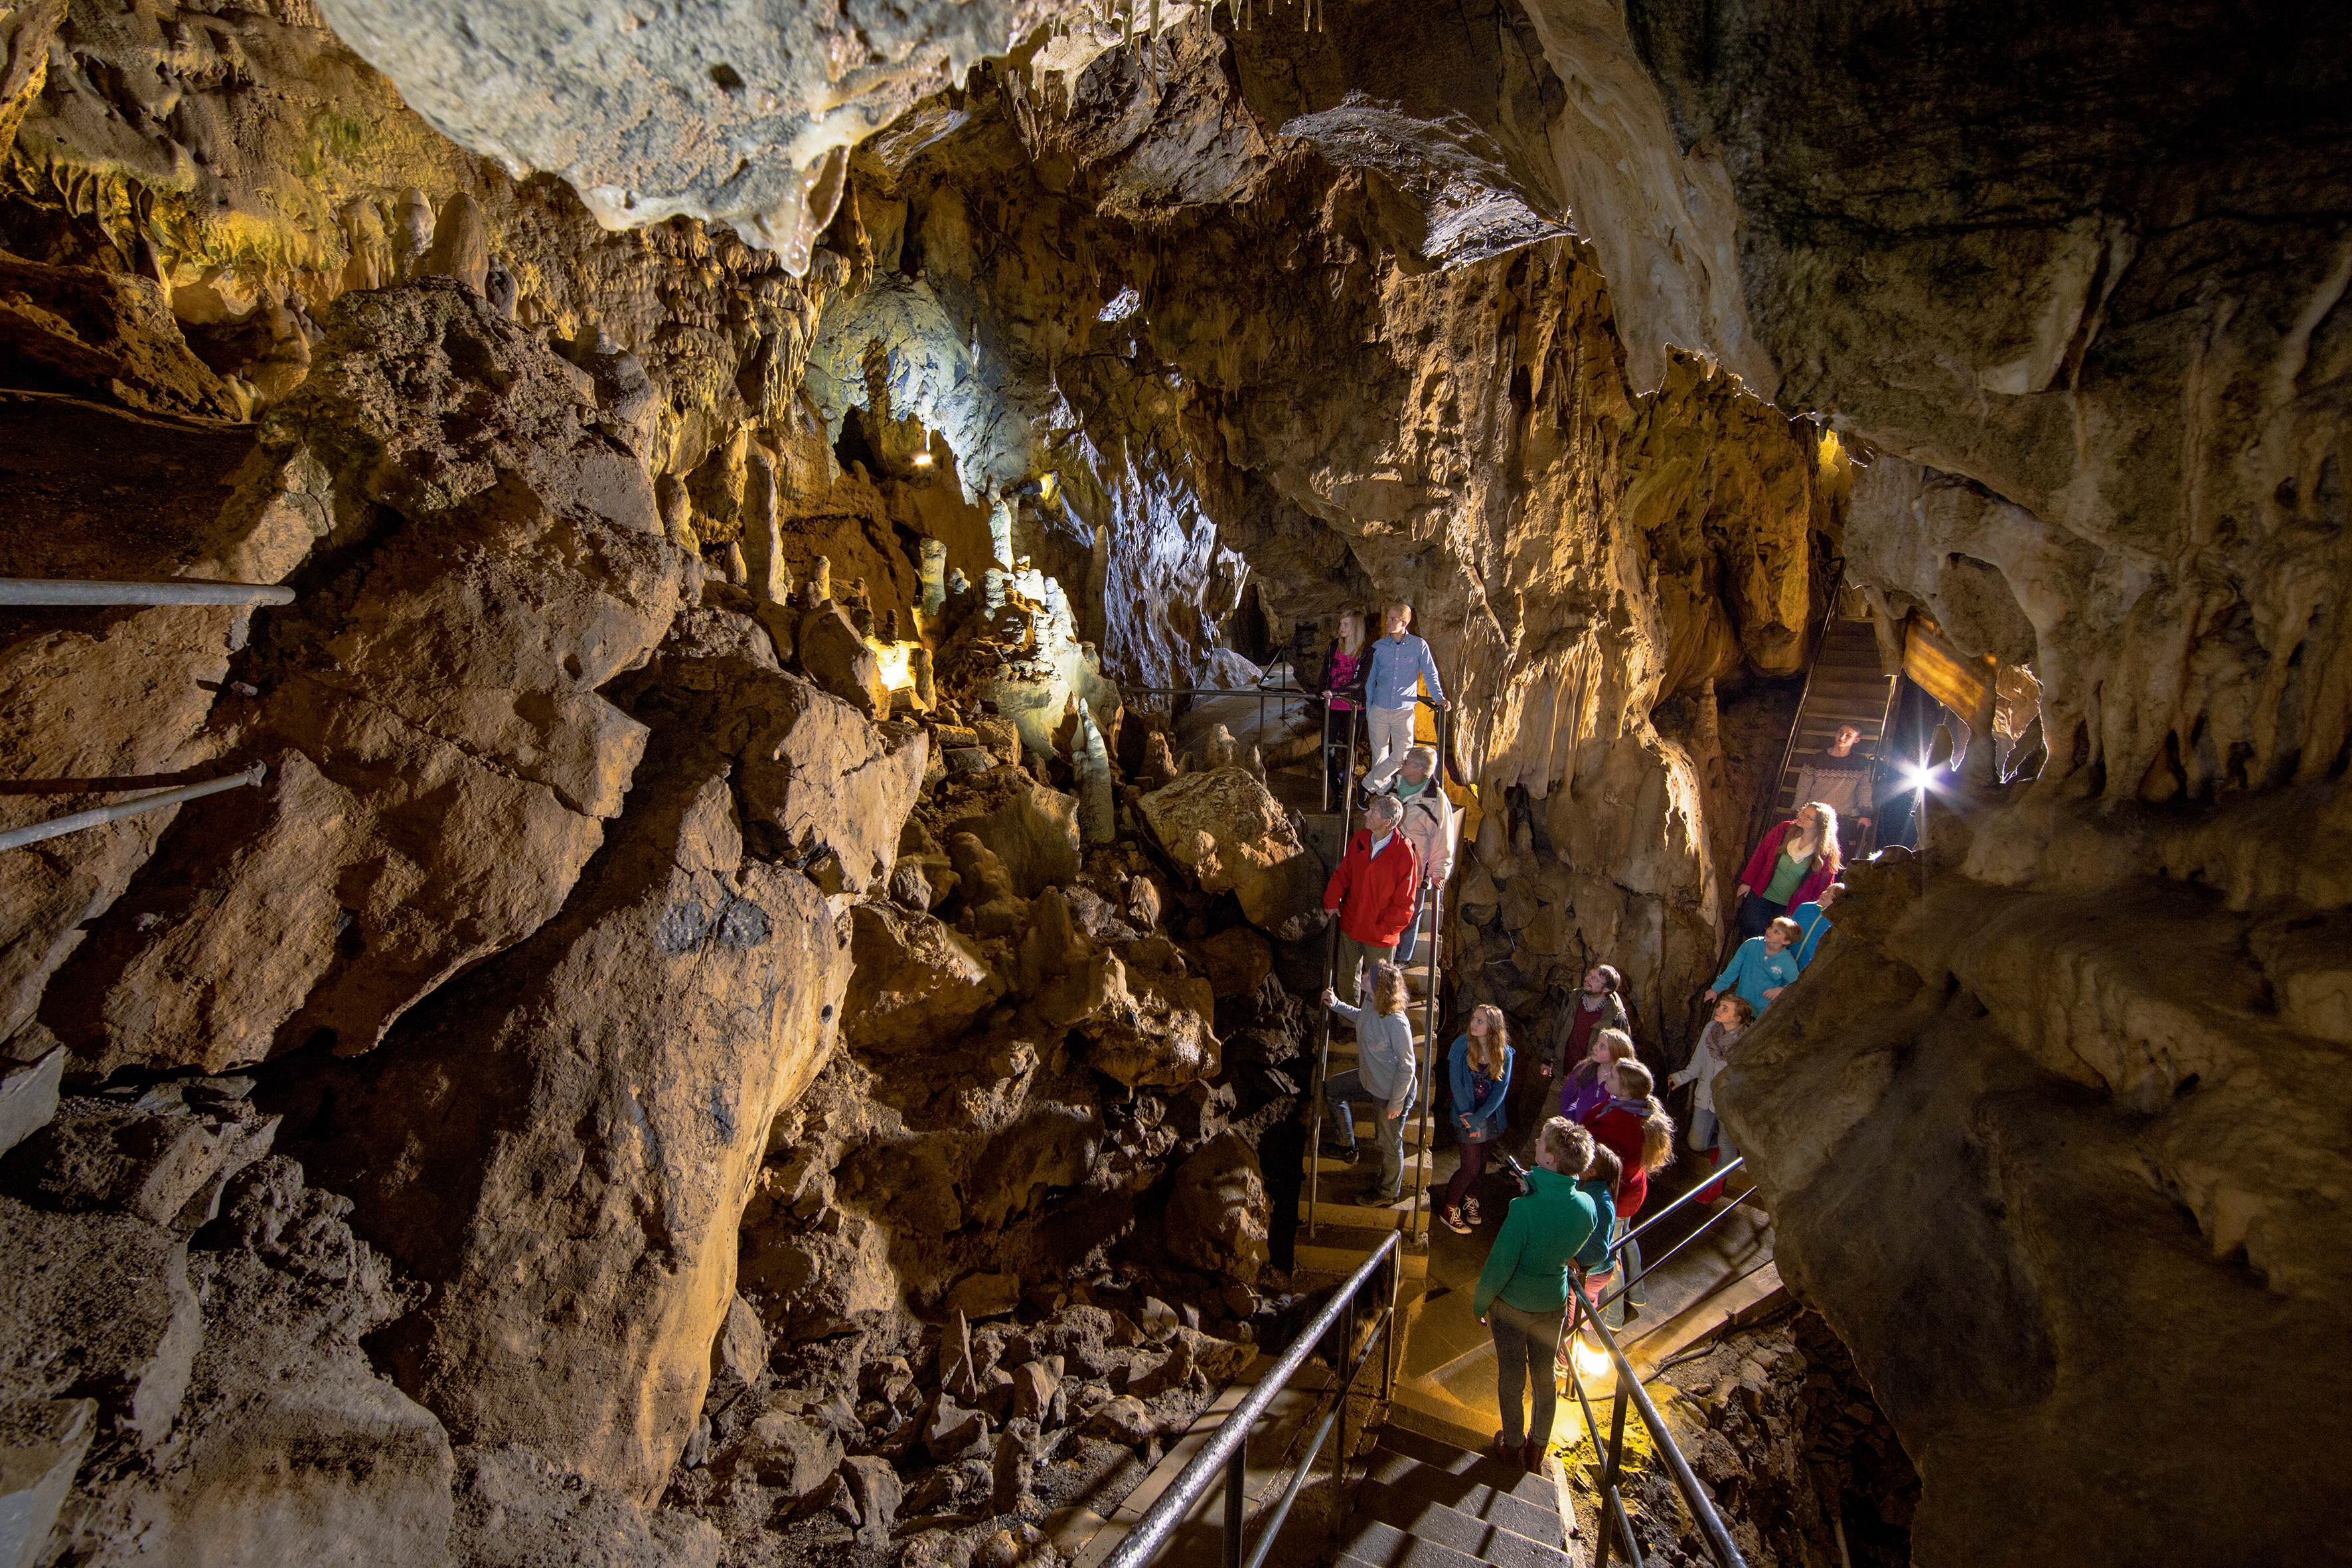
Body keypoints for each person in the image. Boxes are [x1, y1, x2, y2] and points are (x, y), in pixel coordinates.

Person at [1473, 1119, 1601, 1473]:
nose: (1537, 1143)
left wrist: (1481, 1302)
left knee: (1511, 1378)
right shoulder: (1588, 1207)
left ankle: (1512, 1445)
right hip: (1553, 1303)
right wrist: (1537, 1185)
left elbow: (1500, 1264)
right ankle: (1537, 1450)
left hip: (1513, 1306)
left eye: (1542, 1141)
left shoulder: (1523, 1210)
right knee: (1545, 1377)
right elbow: (1560, 1210)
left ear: (1551, 1160)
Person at [1579, 1059, 1673, 1325]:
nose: (1607, 1075)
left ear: (1626, 1090)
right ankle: (1637, 1294)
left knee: (1608, 1257)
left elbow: (1604, 1164)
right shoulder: (1629, 1110)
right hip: (1628, 1193)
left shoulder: (1624, 1127)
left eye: (1614, 1076)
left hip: (1616, 1198)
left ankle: (1611, 1318)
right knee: (1623, 1239)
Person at [1320, 964, 1417, 1202]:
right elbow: (1361, 1017)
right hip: (1369, 1079)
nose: (1363, 976)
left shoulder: (1397, 1022)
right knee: (1332, 1089)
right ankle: (1347, 1146)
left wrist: (1396, 1102)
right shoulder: (1371, 1002)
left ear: (1380, 987)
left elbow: (1408, 1066)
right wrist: (1336, 1006)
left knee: (1388, 1144)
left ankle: (1388, 1192)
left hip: (1391, 1092)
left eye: (1368, 976)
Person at [1322, 793, 1418, 999]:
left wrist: (1383, 927)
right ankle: (1350, 1023)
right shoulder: (1361, 839)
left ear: (1387, 821)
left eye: (1372, 811)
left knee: (1378, 985)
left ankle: (1374, 1025)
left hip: (1379, 935)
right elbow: (1344, 873)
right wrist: (1332, 901)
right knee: (1347, 976)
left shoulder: (1404, 853)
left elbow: (1405, 902)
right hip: (1352, 922)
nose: (1366, 814)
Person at [1670, 994, 1753, 1204]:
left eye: (1725, 1009)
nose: (1719, 1010)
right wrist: (1681, 1078)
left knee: (1726, 1142)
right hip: (1706, 1096)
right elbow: (1697, 1063)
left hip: (1729, 1104)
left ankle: (1717, 1180)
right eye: (1720, 1006)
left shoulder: (1747, 1041)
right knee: (1696, 1143)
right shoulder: (1711, 1030)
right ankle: (1727, 1151)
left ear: (1737, 1019)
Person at [1360, 602, 1449, 796]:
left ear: (1405, 622)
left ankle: (1366, 785)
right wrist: (1369, 708)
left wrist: (1439, 698)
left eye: (1393, 619)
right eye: (1388, 618)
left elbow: (1430, 674)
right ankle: (1381, 799)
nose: (1388, 622)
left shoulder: (1419, 645)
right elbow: (1370, 679)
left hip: (1404, 711)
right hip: (1379, 710)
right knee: (1379, 758)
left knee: (1402, 755)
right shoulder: (1378, 647)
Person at [1439, 1004, 1513, 1234]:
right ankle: (1449, 1208)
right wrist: (1471, 1120)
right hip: (1464, 1114)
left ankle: (1471, 1198)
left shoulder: (1505, 1053)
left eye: (1480, 1021)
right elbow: (1457, 1084)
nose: (1474, 1024)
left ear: (1493, 1027)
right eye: (1473, 1019)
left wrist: (1480, 1119)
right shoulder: (1461, 1045)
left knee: (1481, 1165)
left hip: (1489, 1116)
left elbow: (1500, 1091)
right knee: (1470, 1167)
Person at [1380, 745, 1453, 964]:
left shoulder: (1436, 800)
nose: (1402, 763)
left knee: (1409, 915)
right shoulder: (1390, 788)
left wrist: (1438, 872)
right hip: (1387, 863)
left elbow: (1442, 839)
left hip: (1415, 869)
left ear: (1421, 769)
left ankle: (1402, 959)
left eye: (1408, 762)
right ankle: (1383, 950)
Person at [1732, 802, 1842, 940]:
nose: (1801, 817)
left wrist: (1815, 908)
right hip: (1764, 892)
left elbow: (1823, 884)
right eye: (1803, 812)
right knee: (1751, 926)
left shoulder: (1827, 852)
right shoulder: (1783, 830)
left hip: (1793, 905)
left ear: (1820, 825)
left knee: (1782, 939)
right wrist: (1747, 882)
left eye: (1808, 817)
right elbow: (1761, 854)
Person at [1792, 726, 1875, 854]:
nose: (1842, 737)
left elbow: (1864, 789)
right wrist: (1797, 810)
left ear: (1856, 740)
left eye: (1848, 735)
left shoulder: (1860, 763)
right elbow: (1803, 787)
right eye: (1840, 733)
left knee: (1831, 856)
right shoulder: (1817, 759)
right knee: (1806, 853)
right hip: (1813, 816)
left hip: (1840, 817)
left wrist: (1865, 814)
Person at [1541, 965, 1628, 1086]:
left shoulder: (1616, 1017)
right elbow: (1558, 1029)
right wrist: (1547, 1060)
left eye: (1595, 979)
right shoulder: (1572, 1000)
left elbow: (1622, 1054)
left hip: (1590, 1084)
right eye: (1589, 975)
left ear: (1607, 989)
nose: (1588, 979)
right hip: (1562, 1076)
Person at [1317, 609, 1370, 803]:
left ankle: (1346, 791)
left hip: (1353, 708)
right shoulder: (1333, 647)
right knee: (1327, 749)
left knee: (1349, 750)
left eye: (1346, 625)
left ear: (1355, 627)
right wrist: (1320, 691)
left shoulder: (1365, 652)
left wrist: (1336, 692)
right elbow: (1325, 672)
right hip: (1332, 707)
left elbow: (1360, 681)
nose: (1341, 628)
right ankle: (1337, 790)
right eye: (1341, 624)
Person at [1707, 915, 1804, 1014]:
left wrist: (1782, 990)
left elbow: (1796, 984)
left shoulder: (1787, 962)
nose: (1769, 931)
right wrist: (1716, 989)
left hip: (1764, 1011)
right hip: (1741, 1005)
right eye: (1771, 927)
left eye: (1776, 932)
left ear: (1786, 941)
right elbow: (1733, 969)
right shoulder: (1751, 945)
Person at [1558, 1026, 1636, 1125]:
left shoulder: (1625, 1081)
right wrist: (1571, 1119)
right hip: (1580, 1132)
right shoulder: (1585, 1068)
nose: (1595, 1047)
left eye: (1602, 1047)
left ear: (1616, 1053)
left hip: (1605, 1135)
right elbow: (1567, 1095)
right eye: (1597, 1043)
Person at [1791, 882, 1844, 968]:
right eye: (1828, 890)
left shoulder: (1835, 922)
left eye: (1833, 897)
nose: (1826, 895)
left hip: (1809, 966)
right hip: (1787, 958)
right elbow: (1788, 930)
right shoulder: (1805, 907)